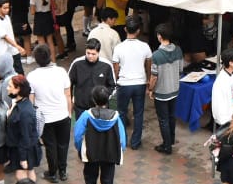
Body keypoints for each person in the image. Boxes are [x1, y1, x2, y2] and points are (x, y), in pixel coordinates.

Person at [72, 85, 125, 184]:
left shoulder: (86, 115)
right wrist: (120, 150)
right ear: (107, 99)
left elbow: (78, 135)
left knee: (90, 180)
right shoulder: (116, 116)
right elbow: (122, 139)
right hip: (110, 154)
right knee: (108, 182)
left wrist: (80, 149)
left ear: (93, 99)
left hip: (91, 153)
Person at [28, 45, 73, 182]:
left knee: (50, 146)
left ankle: (52, 172)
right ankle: (63, 171)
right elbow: (68, 95)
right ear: (50, 55)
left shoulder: (32, 76)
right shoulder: (61, 72)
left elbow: (32, 101)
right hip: (62, 114)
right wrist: (69, 113)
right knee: (63, 144)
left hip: (45, 118)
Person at [111, 17, 152, 150]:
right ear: (139, 31)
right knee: (138, 113)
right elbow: (148, 66)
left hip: (124, 84)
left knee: (122, 112)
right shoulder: (145, 46)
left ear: (125, 29)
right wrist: (148, 81)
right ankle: (135, 142)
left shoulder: (119, 48)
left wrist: (116, 80)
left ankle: (122, 140)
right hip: (139, 83)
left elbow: (115, 68)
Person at [147, 24, 182, 154]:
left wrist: (151, 89)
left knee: (163, 119)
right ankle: (171, 139)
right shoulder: (178, 50)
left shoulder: (156, 55)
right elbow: (180, 70)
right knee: (172, 116)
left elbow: (154, 76)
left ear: (160, 36)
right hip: (174, 89)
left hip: (162, 92)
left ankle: (167, 146)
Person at [67, 39, 116, 119]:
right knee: (82, 131)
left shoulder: (106, 65)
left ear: (98, 52)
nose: (90, 56)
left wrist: (103, 98)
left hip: (100, 109)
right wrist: (71, 101)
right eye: (88, 53)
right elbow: (68, 84)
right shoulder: (77, 64)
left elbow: (112, 86)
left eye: (93, 54)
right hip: (81, 108)